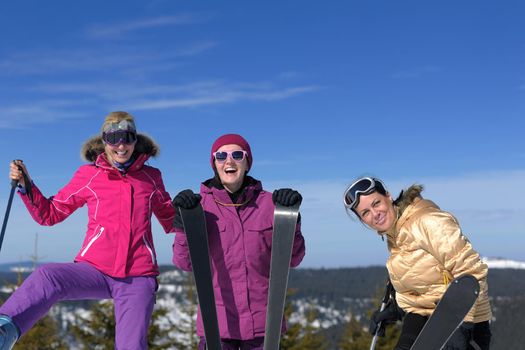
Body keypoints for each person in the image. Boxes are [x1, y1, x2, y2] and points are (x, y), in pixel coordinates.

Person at [0, 111, 176, 349]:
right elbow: (50, 214)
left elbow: (170, 219)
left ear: (135, 140)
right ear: (104, 142)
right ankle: (5, 329)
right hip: (96, 269)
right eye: (113, 138)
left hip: (138, 275)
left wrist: (192, 210)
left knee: (131, 346)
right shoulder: (89, 176)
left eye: (127, 137)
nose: (121, 144)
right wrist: (26, 185)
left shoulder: (151, 177)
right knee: (49, 276)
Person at [172, 133, 306, 350]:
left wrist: (292, 221)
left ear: (247, 162)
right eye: (221, 155)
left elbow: (293, 259)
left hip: (263, 328)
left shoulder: (270, 204)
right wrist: (182, 226)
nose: (229, 161)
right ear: (214, 164)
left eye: (237, 154)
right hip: (216, 326)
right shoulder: (199, 206)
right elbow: (184, 263)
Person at [343, 176, 492, 350]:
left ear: (389, 196)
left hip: (463, 320)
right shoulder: (395, 235)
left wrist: (462, 326)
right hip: (423, 317)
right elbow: (423, 281)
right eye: (365, 212)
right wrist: (394, 311)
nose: (375, 214)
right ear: (363, 221)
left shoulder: (427, 221)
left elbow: (471, 271)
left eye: (376, 203)